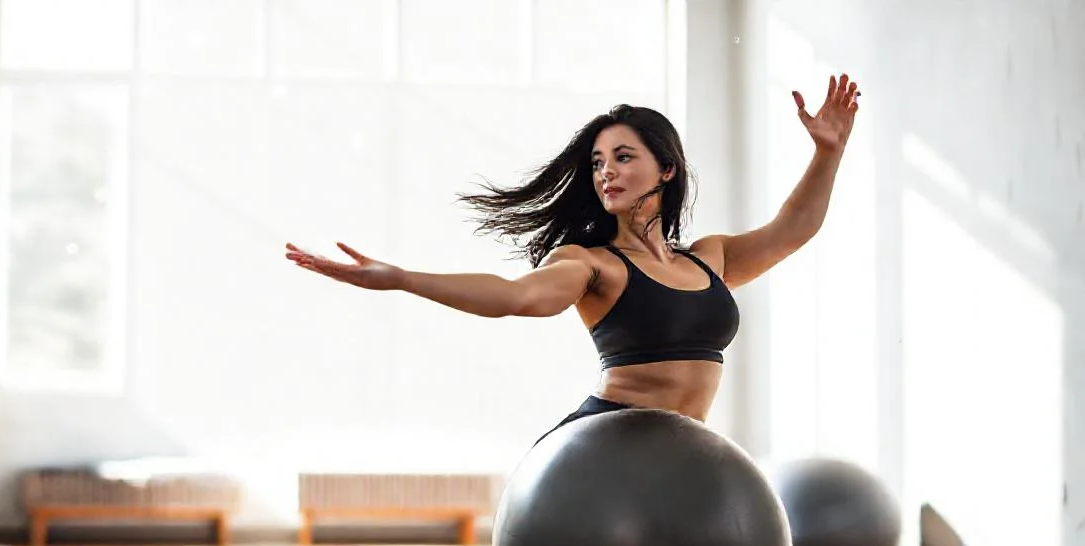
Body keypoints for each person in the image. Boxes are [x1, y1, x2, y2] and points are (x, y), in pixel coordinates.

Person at [286, 74, 860, 442]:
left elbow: (795, 228)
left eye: (623, 156)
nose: (605, 170)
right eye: (596, 162)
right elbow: (517, 297)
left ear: (666, 168)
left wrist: (828, 152)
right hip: (605, 450)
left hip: (684, 454)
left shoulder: (711, 259)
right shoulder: (592, 265)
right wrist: (402, 278)